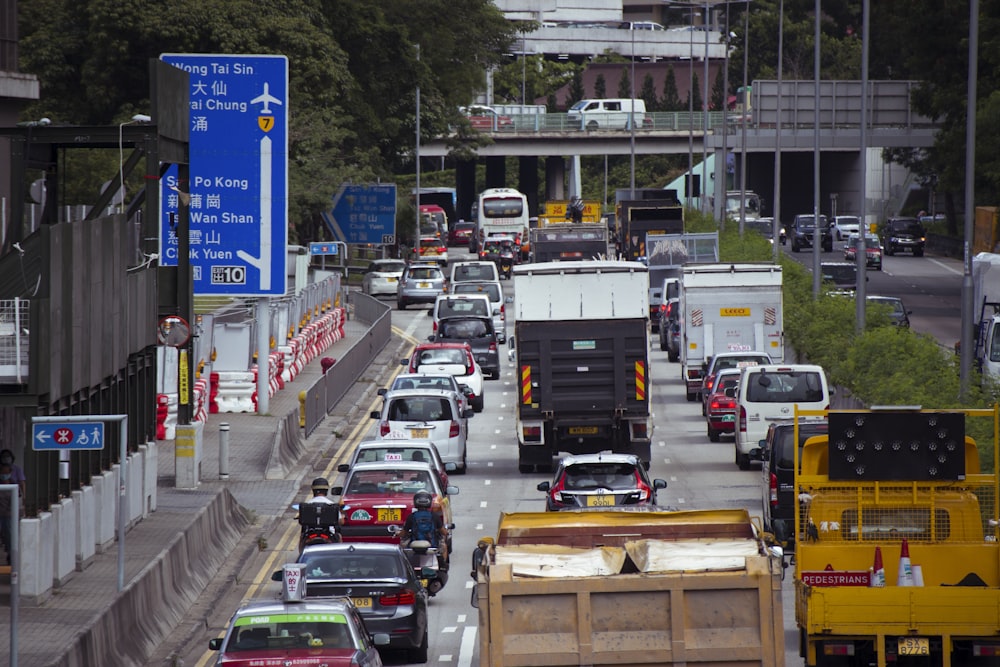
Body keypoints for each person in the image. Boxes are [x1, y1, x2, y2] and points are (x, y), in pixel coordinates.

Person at [399, 491, 449, 565]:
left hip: (414, 544)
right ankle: (443, 565)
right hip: (432, 545)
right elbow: (443, 532)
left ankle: (404, 565)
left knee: (401, 548)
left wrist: (398, 533)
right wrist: (446, 532)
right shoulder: (434, 516)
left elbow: (403, 533)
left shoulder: (411, 516)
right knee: (444, 546)